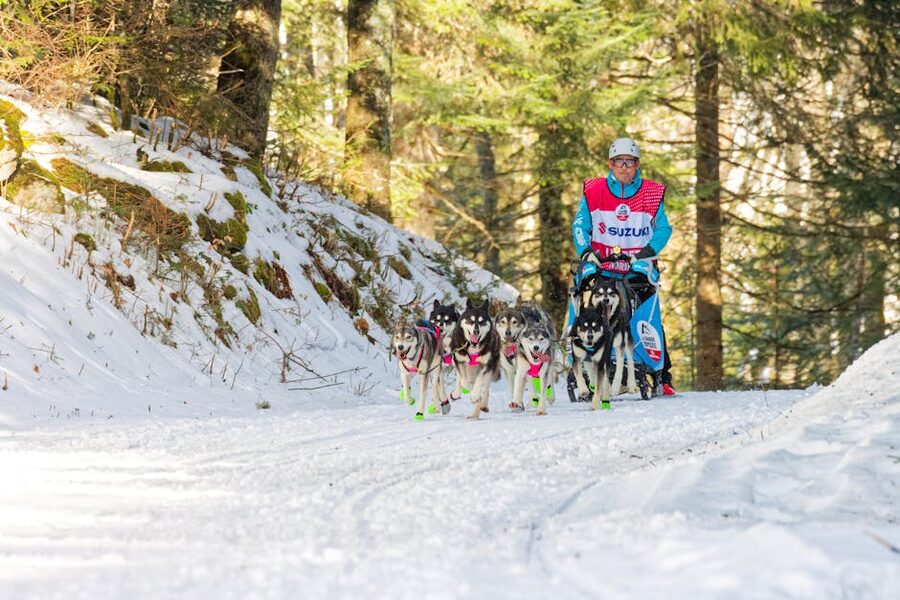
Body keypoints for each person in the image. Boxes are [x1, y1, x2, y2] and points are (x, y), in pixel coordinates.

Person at [570, 137, 676, 395]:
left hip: (637, 265)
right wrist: (586, 252)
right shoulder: (593, 190)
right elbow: (580, 226)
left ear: (637, 165)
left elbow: (663, 228)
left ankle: (661, 373)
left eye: (629, 162)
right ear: (611, 164)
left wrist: (646, 253)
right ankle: (583, 362)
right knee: (587, 304)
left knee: (647, 311)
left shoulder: (651, 193)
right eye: (619, 162)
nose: (624, 167)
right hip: (602, 266)